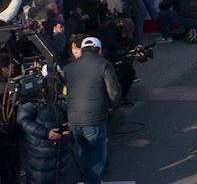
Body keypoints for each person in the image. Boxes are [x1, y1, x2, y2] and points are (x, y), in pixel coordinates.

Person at [63, 35, 122, 184]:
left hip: (74, 117)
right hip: (94, 116)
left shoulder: (69, 68)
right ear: (99, 50)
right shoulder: (104, 65)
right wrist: (111, 107)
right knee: (96, 154)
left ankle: (87, 178)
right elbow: (114, 92)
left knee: (83, 151)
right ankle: (92, 181)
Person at [18, 94, 76, 184]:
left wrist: (70, 124)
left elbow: (69, 110)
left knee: (59, 175)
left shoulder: (58, 96)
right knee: (40, 177)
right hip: (41, 150)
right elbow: (23, 121)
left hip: (59, 148)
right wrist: (46, 133)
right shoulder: (31, 100)